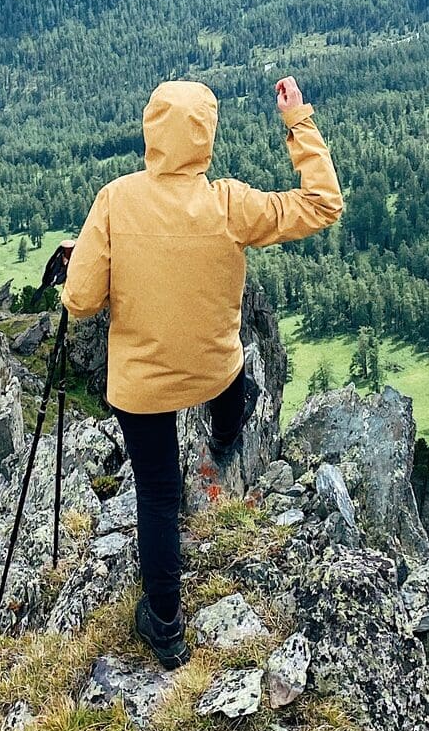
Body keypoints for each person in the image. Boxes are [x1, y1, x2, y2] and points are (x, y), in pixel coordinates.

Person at [60, 75, 342, 667]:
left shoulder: (116, 200)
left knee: (158, 495)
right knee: (232, 380)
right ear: (206, 136)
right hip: (214, 371)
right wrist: (298, 121)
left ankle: (165, 625)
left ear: (150, 131)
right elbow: (322, 205)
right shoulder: (231, 204)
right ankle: (226, 437)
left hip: (142, 389)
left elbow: (82, 301)